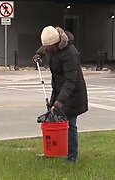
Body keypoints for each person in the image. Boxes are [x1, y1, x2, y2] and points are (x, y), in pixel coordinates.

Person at [33, 26, 88, 162]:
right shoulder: (52, 47)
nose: (46, 50)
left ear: (56, 43)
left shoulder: (70, 53)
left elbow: (70, 81)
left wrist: (60, 101)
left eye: (48, 47)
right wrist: (38, 54)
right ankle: (53, 151)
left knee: (70, 123)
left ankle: (72, 157)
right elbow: (43, 48)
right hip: (59, 88)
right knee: (53, 120)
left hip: (72, 92)